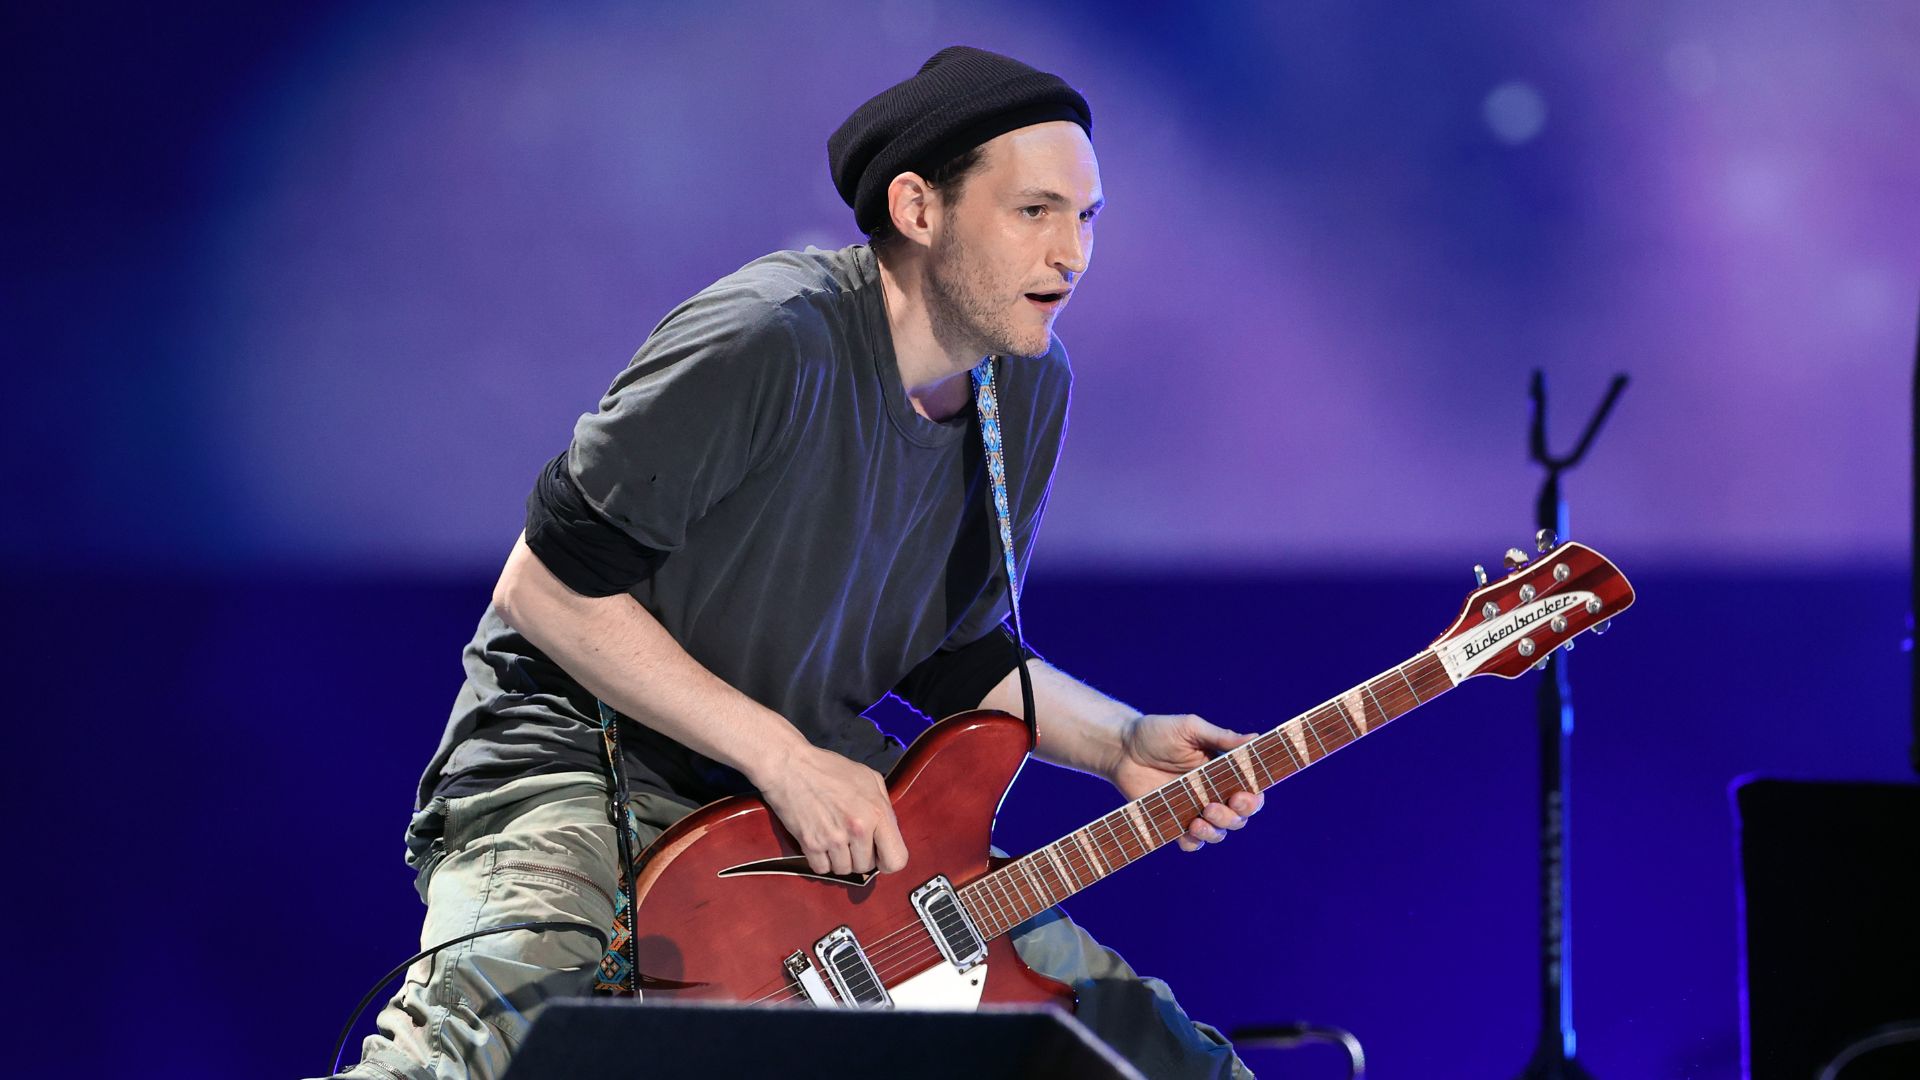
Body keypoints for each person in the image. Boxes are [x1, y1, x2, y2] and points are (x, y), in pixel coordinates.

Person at [329, 46, 1265, 1080]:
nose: (1074, 253)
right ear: (918, 208)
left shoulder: (1026, 388)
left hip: (806, 803)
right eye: (1035, 212)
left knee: (1146, 1052)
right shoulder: (770, 336)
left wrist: (1121, 742)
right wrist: (780, 756)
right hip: (585, 765)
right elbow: (547, 588)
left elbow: (950, 652)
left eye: (1087, 217)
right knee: (479, 1049)